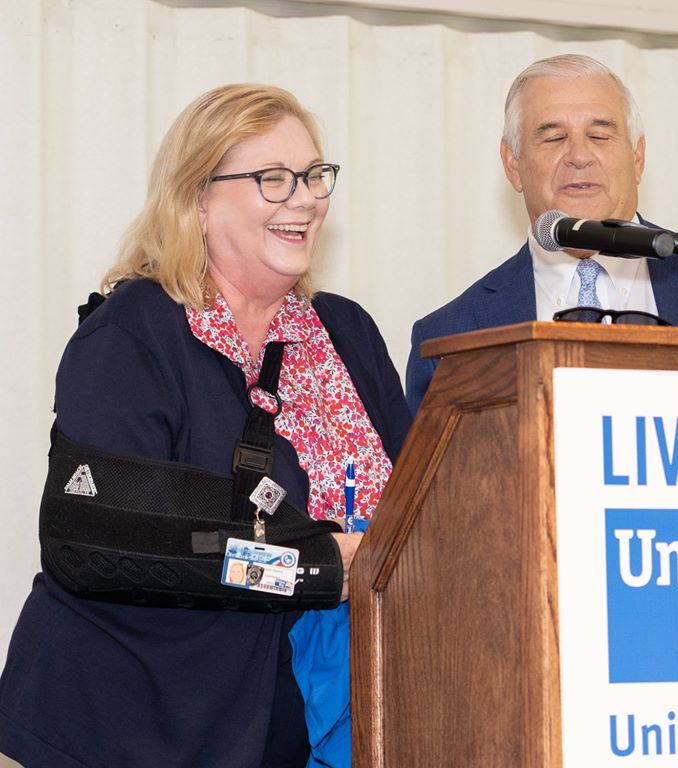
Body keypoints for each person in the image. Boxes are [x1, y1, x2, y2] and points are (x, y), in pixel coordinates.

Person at [0, 85, 410, 766]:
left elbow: (418, 506)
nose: (304, 198)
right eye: (272, 179)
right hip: (125, 728)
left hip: (291, 726)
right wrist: (308, 567)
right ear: (195, 197)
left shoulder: (347, 333)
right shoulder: (133, 334)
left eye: (313, 176)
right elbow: (102, 546)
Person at [406, 54, 678, 413]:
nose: (579, 155)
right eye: (554, 137)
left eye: (600, 135)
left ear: (637, 157)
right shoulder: (449, 337)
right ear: (513, 165)